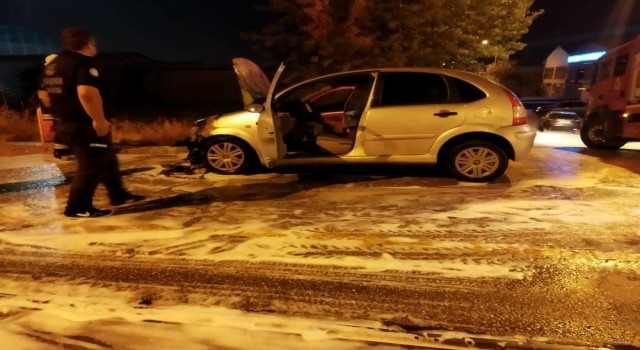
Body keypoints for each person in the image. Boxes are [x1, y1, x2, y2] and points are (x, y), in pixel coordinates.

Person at [39, 27, 144, 218]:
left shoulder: (53, 65)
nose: (96, 46)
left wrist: (60, 112)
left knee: (107, 158)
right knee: (91, 166)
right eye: (94, 43)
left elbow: (44, 94)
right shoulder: (83, 64)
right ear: (87, 44)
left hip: (66, 123)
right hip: (86, 125)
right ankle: (77, 207)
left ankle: (118, 195)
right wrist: (99, 120)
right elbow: (87, 94)